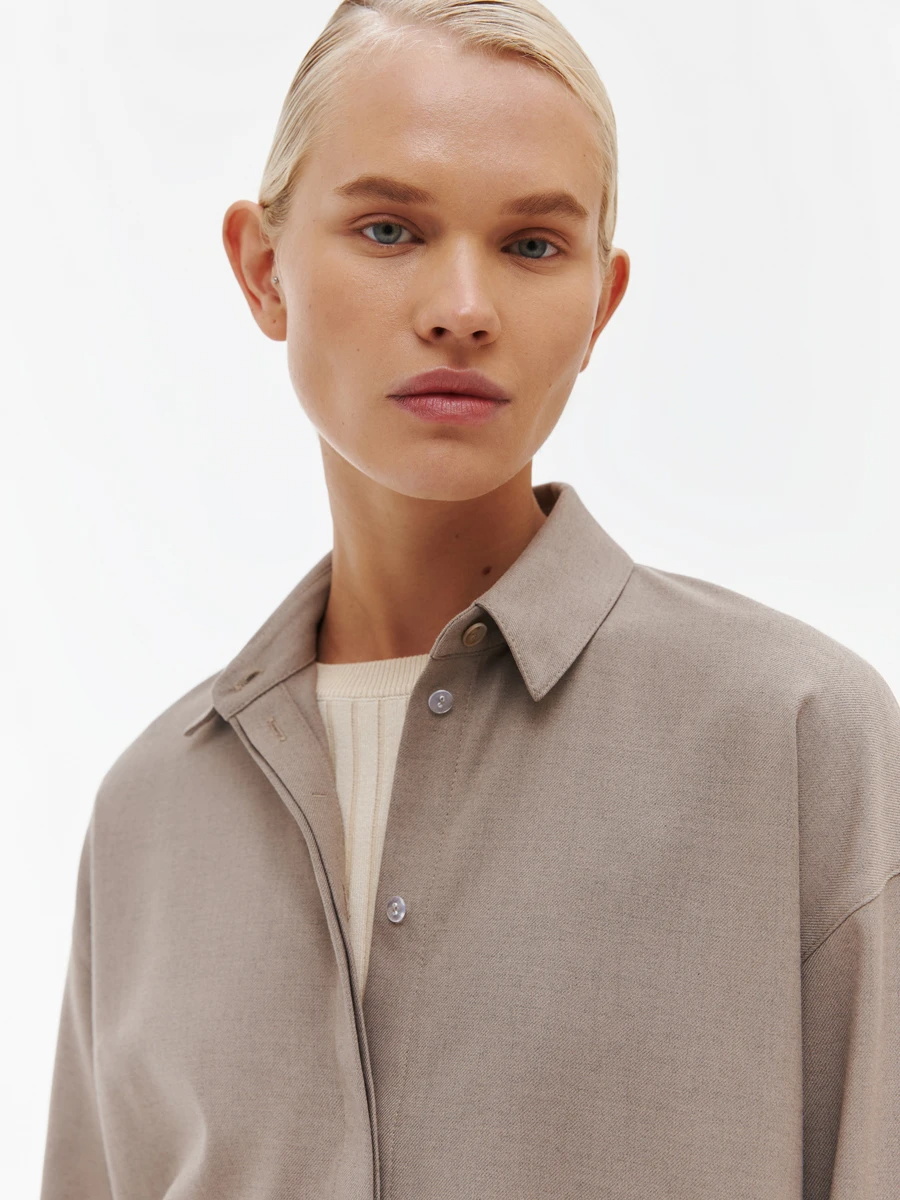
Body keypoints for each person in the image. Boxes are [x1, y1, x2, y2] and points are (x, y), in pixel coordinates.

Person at [40, 1, 900, 1197]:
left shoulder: (800, 743)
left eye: (532, 245)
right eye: (389, 229)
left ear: (601, 305)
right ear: (263, 270)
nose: (462, 306)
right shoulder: (150, 817)